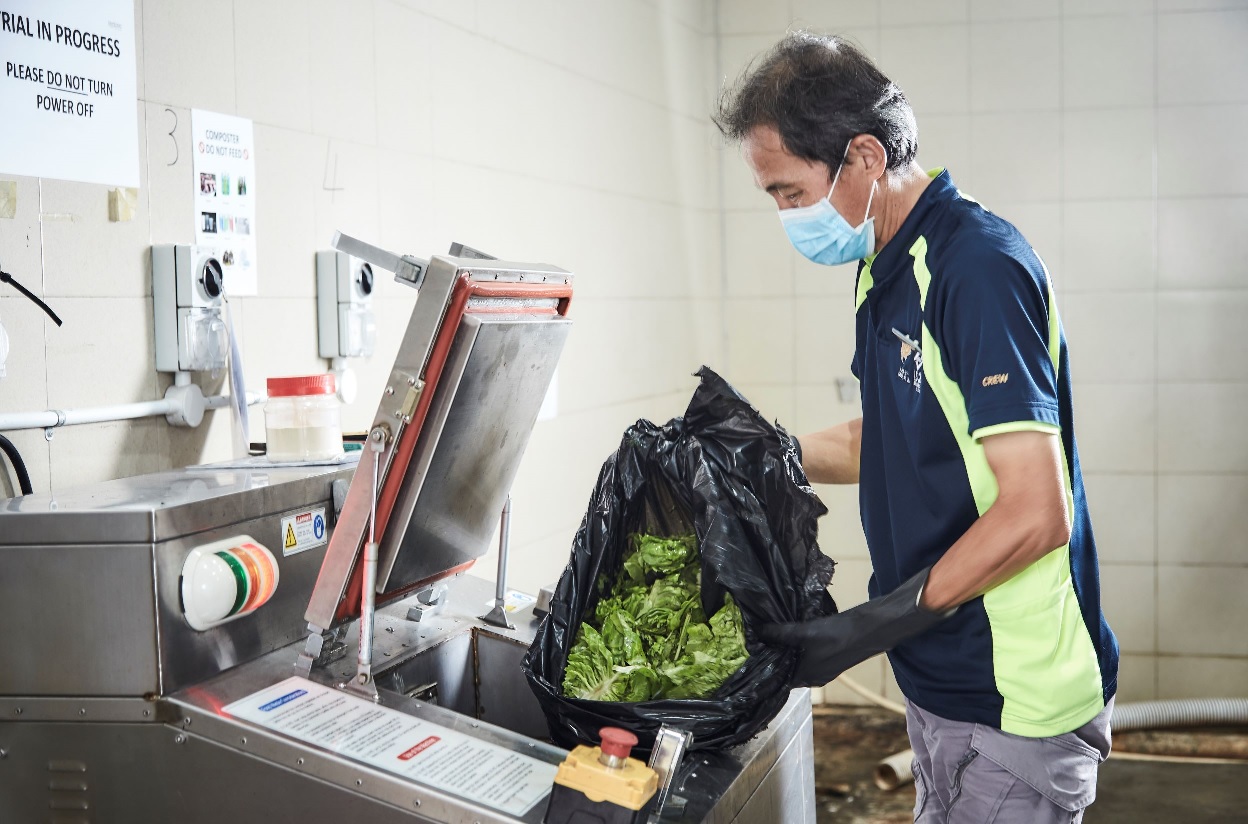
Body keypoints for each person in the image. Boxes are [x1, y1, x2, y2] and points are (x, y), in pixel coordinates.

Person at [714, 32, 1119, 824]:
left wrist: (868, 626)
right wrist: (762, 457)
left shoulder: (975, 268)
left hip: (1016, 696)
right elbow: (895, 436)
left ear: (864, 156)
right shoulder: (884, 267)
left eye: (791, 193)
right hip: (941, 680)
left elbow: (1037, 512)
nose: (788, 218)